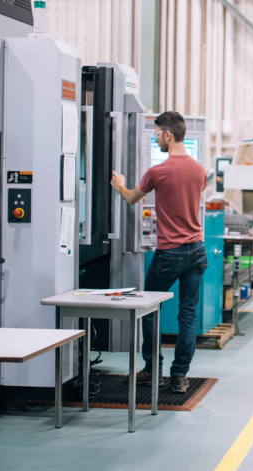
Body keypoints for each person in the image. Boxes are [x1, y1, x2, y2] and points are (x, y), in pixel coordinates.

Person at [109, 111, 208, 394]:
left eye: (156, 133)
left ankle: (153, 370)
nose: (155, 137)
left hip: (170, 254)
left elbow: (131, 199)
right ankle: (179, 377)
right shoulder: (199, 170)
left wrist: (119, 186)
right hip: (197, 251)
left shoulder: (157, 172)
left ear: (168, 134)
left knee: (149, 309)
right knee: (187, 314)